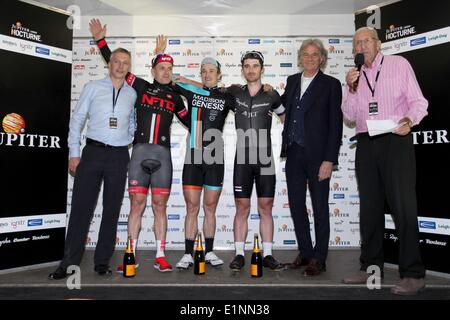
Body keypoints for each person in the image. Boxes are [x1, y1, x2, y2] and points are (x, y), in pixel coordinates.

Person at [89, 19, 189, 273]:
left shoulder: (177, 97)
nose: (166, 72)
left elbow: (193, 121)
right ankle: (130, 254)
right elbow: (116, 63)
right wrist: (101, 41)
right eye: (161, 68)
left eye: (169, 68)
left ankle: (161, 255)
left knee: (160, 207)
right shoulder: (141, 86)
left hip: (163, 157)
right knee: (136, 205)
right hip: (139, 154)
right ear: (153, 70)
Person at [341, 27, 428, 295]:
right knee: (370, 209)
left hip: (395, 139)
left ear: (378, 44)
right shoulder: (355, 76)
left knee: (403, 206)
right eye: (357, 43)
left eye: (366, 41)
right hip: (366, 143)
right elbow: (350, 116)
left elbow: (418, 101)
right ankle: (370, 267)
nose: (361, 46)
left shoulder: (398, 64)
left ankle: (413, 273)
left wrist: (409, 121)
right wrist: (351, 88)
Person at [48, 47, 137, 280]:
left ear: (129, 67)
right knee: (80, 209)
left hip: (118, 156)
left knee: (111, 210)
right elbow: (76, 121)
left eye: (125, 62)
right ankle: (68, 263)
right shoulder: (92, 87)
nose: (120, 66)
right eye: (116, 61)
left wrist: (125, 139)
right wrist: (74, 153)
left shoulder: (132, 94)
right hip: (92, 153)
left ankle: (101, 262)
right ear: (109, 64)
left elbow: (132, 124)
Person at [281, 39, 343, 276]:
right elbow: (284, 107)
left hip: (319, 157)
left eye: (314, 54)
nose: (309, 58)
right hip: (294, 152)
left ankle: (319, 257)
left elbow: (336, 125)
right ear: (300, 57)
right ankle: (305, 252)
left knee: (319, 207)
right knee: (296, 205)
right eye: (305, 54)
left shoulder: (331, 84)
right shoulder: (292, 81)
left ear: (322, 58)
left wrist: (329, 160)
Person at [227, 51, 286, 271]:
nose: (251, 70)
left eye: (255, 66)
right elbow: (209, 90)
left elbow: (286, 118)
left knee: (265, 206)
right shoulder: (234, 92)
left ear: (262, 69)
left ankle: (268, 254)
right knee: (242, 207)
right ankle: (239, 254)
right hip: (242, 157)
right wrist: (185, 81)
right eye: (247, 66)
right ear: (242, 69)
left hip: (265, 158)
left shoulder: (272, 94)